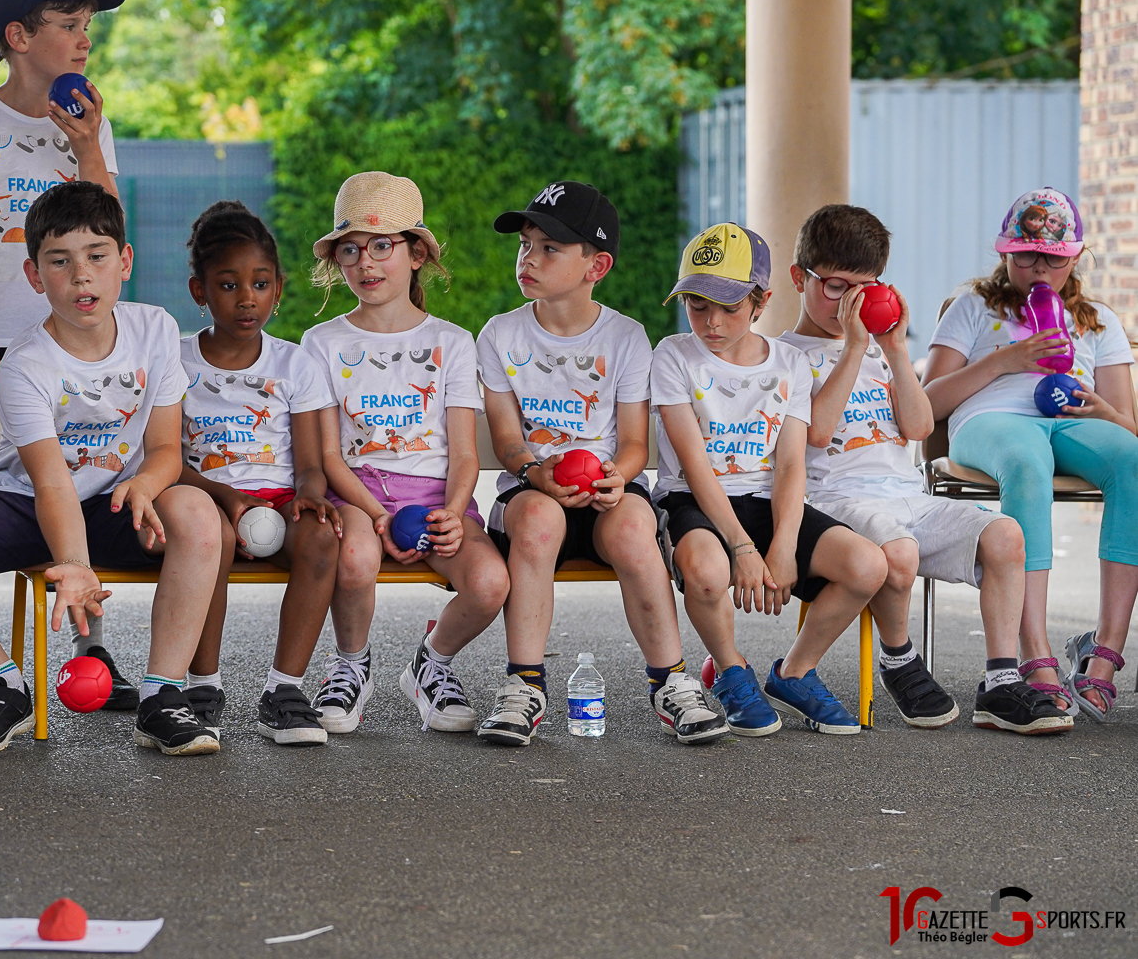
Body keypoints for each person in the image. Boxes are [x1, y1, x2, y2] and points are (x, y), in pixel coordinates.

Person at [0, 181, 224, 755]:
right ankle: (2, 685)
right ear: (34, 275)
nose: (81, 276)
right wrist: (74, 564)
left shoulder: (156, 330)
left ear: (125, 262)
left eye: (97, 256)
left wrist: (145, 483)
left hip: (114, 502)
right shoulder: (25, 365)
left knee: (197, 511)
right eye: (60, 261)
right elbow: (50, 484)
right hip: (25, 501)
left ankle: (163, 696)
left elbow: (167, 448)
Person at [780, 205, 1069, 734]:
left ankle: (1001, 682)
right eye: (835, 286)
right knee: (899, 550)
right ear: (800, 278)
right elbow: (817, 432)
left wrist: (893, 350)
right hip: (836, 500)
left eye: (864, 288)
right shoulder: (785, 356)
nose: (849, 304)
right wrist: (853, 349)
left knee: (1006, 535)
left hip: (907, 495)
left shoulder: (878, 352)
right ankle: (900, 659)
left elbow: (917, 425)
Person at [0, 0, 126, 710]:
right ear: (18, 37)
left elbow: (110, 227)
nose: (83, 40)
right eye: (68, 25)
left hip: (75, 352)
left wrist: (87, 147)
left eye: (87, 27)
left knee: (77, 485)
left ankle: (91, 651)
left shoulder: (89, 125)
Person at [475, 182, 725, 746]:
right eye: (525, 245)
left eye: (550, 249)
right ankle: (524, 686)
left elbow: (634, 443)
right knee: (537, 522)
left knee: (636, 527)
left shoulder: (626, 337)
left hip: (608, 489)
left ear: (597, 266)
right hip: (534, 488)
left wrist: (618, 477)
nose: (529, 259)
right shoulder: (500, 333)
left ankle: (671, 682)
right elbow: (508, 440)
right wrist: (535, 473)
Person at [651, 223, 887, 737]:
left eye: (729, 307)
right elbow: (695, 466)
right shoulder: (673, 354)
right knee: (708, 571)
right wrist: (742, 548)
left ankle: (795, 672)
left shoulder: (790, 363)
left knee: (867, 565)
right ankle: (731, 671)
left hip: (763, 499)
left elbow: (790, 465)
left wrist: (782, 545)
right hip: (692, 499)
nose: (711, 322)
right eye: (696, 305)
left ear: (762, 302)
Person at [301, 172, 510, 734]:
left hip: (438, 499)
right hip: (357, 494)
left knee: (490, 583)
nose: (365, 263)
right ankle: (351, 664)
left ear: (417, 254)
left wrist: (453, 513)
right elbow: (328, 456)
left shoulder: (452, 342)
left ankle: (430, 664)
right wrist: (376, 515)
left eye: (381, 246)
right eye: (350, 250)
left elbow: (464, 455)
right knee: (354, 557)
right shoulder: (321, 343)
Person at [923, 187, 1138, 723]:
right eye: (1026, 256)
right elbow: (927, 407)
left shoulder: (1098, 321)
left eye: (1053, 259)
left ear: (1075, 258)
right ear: (1005, 253)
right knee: (1026, 462)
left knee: (1133, 460)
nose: (1039, 268)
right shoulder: (973, 308)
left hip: (1074, 419)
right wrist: (1005, 362)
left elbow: (1127, 424)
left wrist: (1101, 411)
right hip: (990, 422)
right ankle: (1034, 654)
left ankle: (1103, 656)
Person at [179, 200, 343, 745]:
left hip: (277, 501)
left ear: (278, 288)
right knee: (213, 538)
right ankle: (202, 688)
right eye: (228, 285)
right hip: (205, 499)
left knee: (322, 537)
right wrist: (224, 497)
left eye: (260, 283)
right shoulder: (174, 361)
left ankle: (284, 690)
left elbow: (311, 464)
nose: (247, 298)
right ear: (200, 291)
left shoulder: (295, 364)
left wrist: (310, 495)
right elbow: (165, 459)